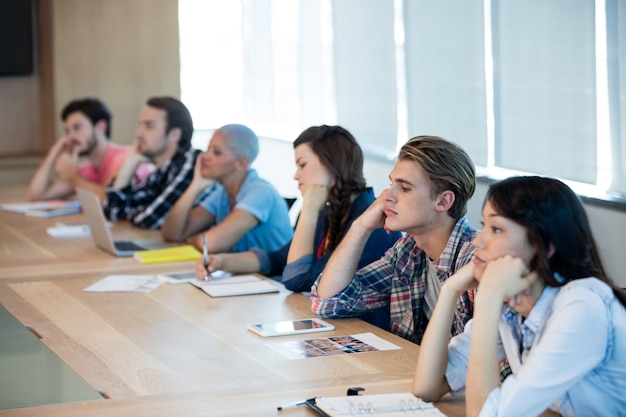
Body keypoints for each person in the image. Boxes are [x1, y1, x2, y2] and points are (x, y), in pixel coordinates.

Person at [412, 176, 626, 417]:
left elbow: (489, 415)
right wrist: (450, 290)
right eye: (483, 226)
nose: (477, 241)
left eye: (496, 229)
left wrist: (488, 300)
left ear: (543, 245)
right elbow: (428, 387)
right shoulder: (515, 306)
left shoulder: (582, 306)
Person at [194, 125, 401, 294]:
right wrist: (220, 261)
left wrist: (309, 208)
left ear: (332, 165)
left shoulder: (371, 223)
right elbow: (276, 259)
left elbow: (298, 278)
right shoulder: (330, 211)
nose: (296, 176)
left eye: (302, 165)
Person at [311, 135, 477, 344]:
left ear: (443, 201)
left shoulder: (477, 259)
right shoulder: (408, 253)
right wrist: (361, 226)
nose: (387, 196)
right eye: (391, 184)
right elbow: (329, 303)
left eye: (405, 188)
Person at [160, 124, 293, 254]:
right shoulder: (222, 193)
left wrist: (191, 239)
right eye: (208, 148)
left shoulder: (260, 193)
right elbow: (172, 234)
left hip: (273, 276)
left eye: (217, 152)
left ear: (241, 163)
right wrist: (195, 186)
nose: (205, 156)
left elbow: (212, 244)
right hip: (242, 273)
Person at [26, 98, 153, 202]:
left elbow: (111, 201)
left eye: (77, 128)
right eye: (68, 131)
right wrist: (54, 152)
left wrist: (72, 176)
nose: (70, 137)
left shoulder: (125, 158)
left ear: (100, 127)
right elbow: (36, 195)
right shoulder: (87, 170)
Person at [103, 96, 200, 229]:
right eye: (140, 125)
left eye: (149, 126)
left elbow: (150, 220)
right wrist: (132, 160)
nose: (138, 133)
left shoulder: (191, 163)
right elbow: (113, 212)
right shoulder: (160, 172)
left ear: (174, 135)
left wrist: (131, 213)